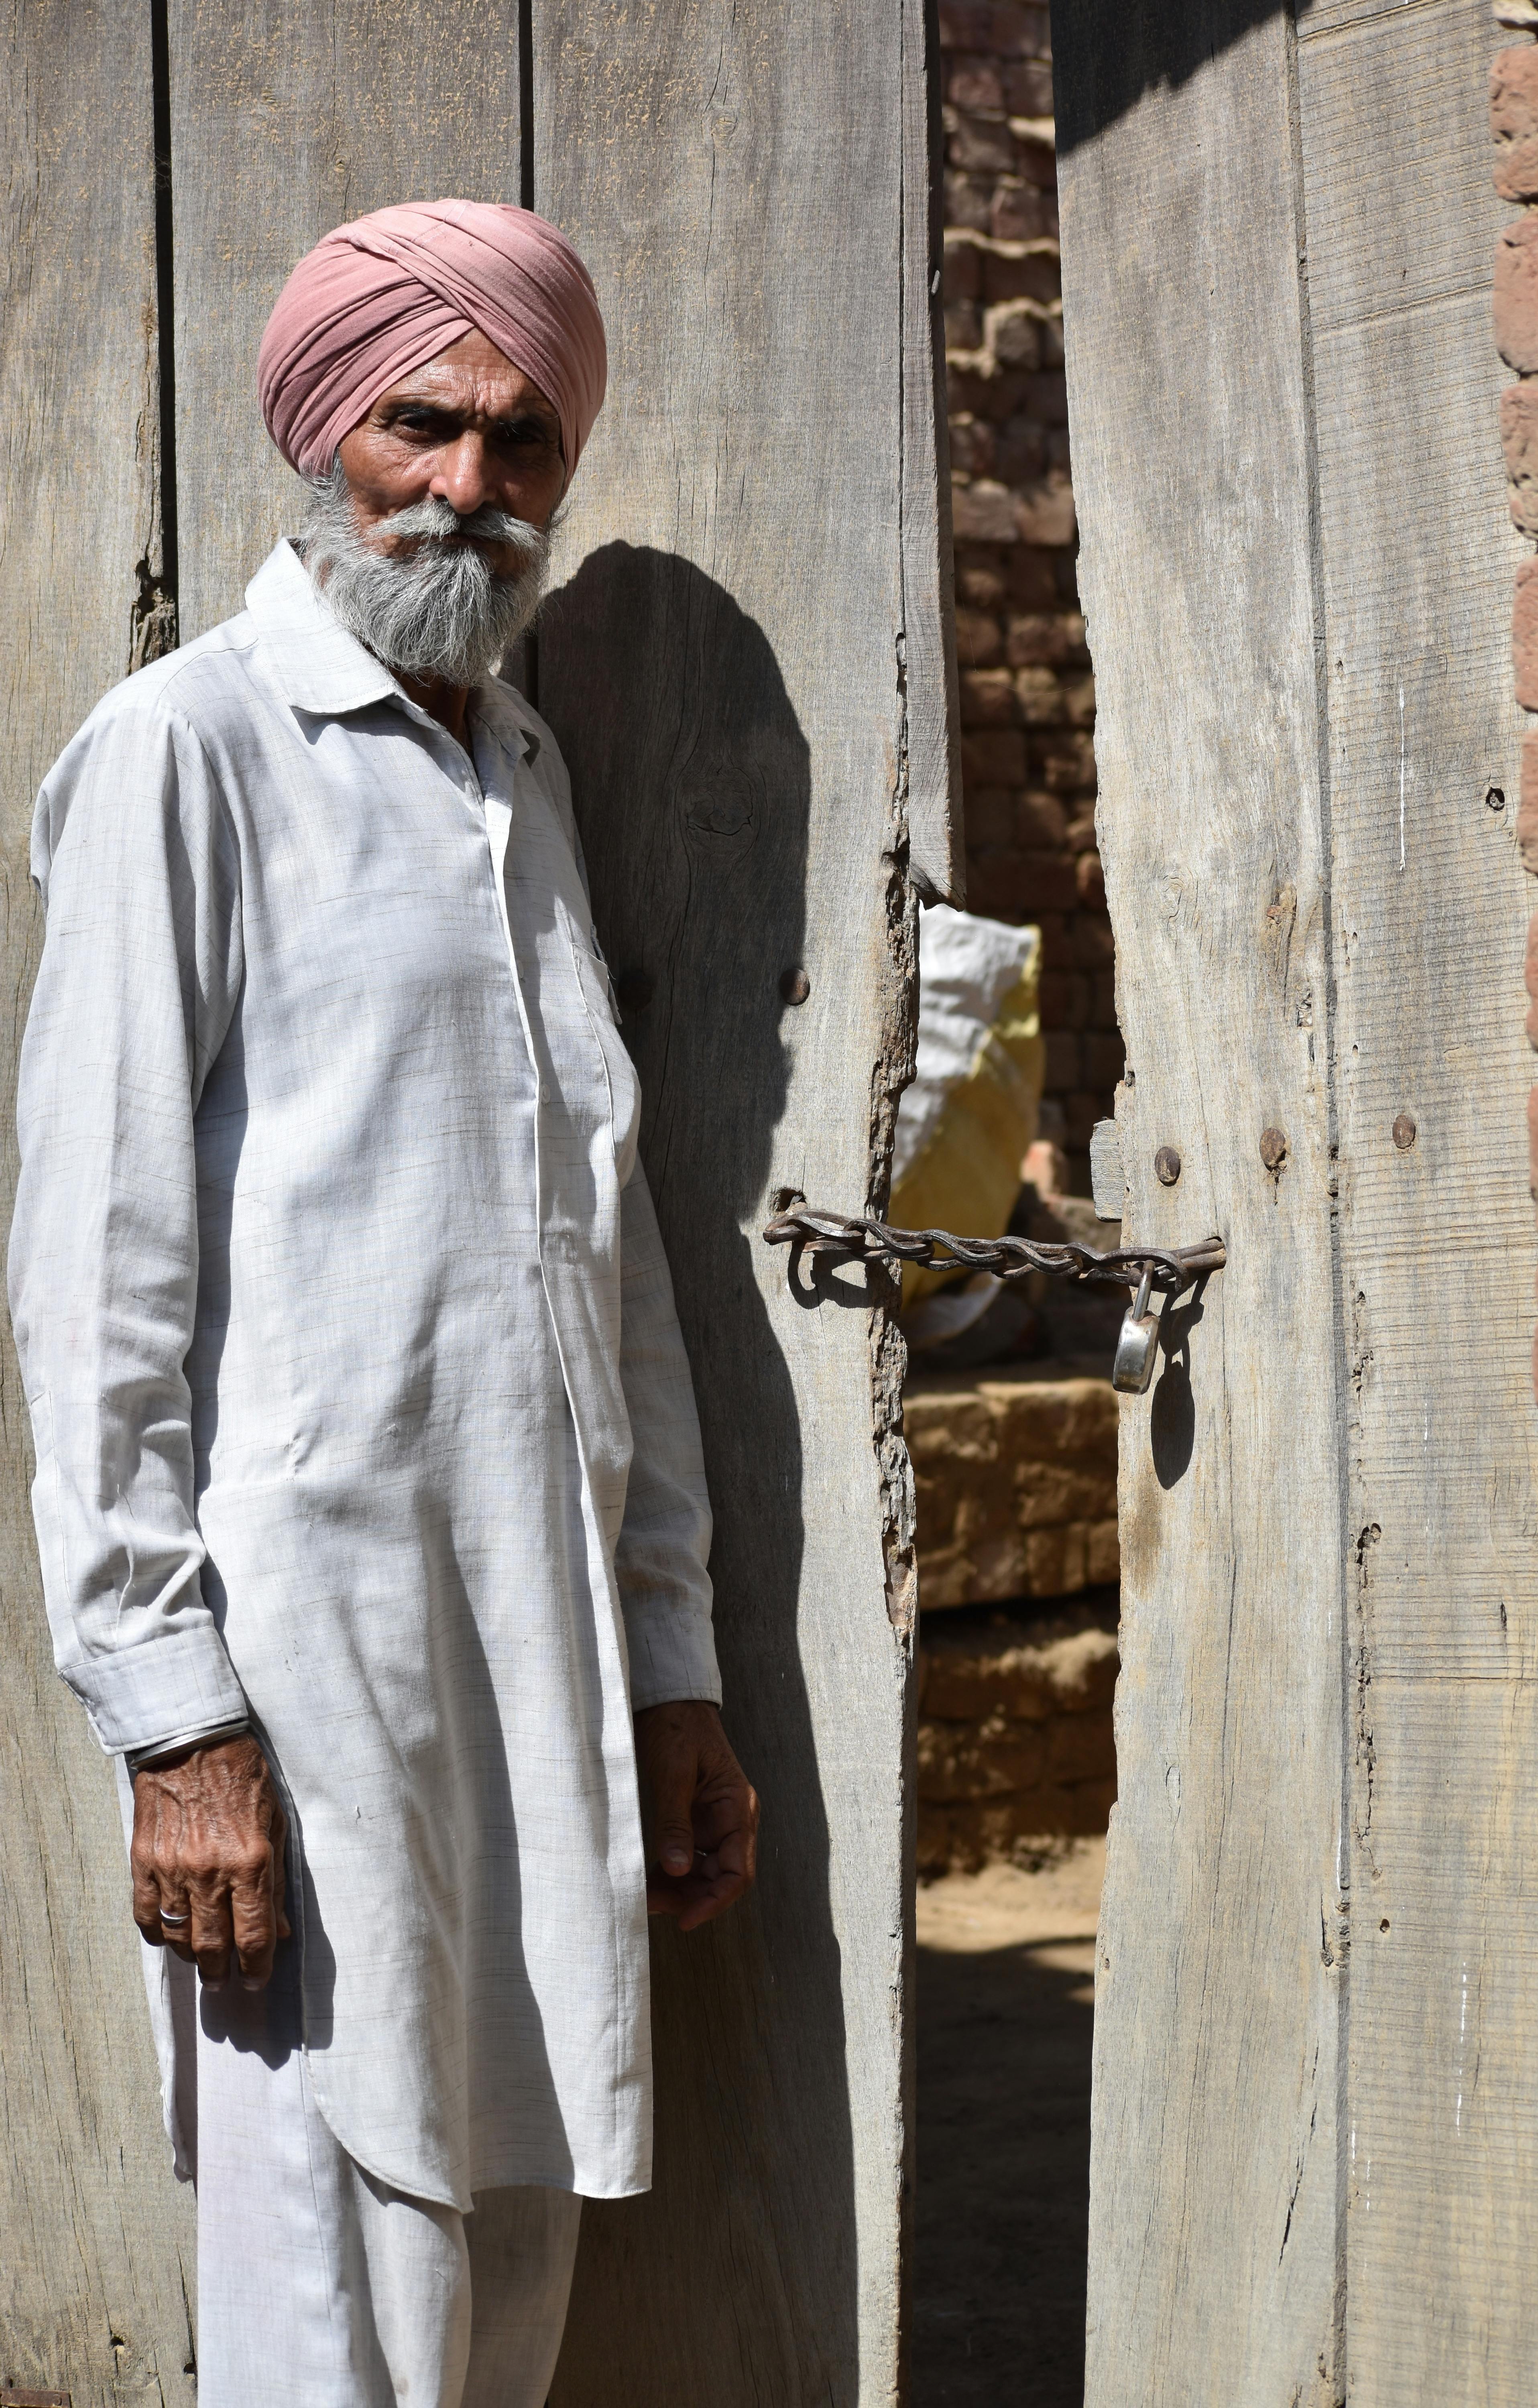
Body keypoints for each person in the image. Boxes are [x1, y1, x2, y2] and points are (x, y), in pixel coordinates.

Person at [8, 198, 759, 2408]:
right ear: (328, 429)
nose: (468, 486)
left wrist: (677, 1669)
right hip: (308, 1706)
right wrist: (175, 1721)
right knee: (332, 2317)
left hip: (539, 1688)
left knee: (498, 2302)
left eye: (524, 444)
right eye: (421, 423)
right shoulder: (193, 751)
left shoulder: (518, 783)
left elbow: (600, 1272)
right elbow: (95, 1276)